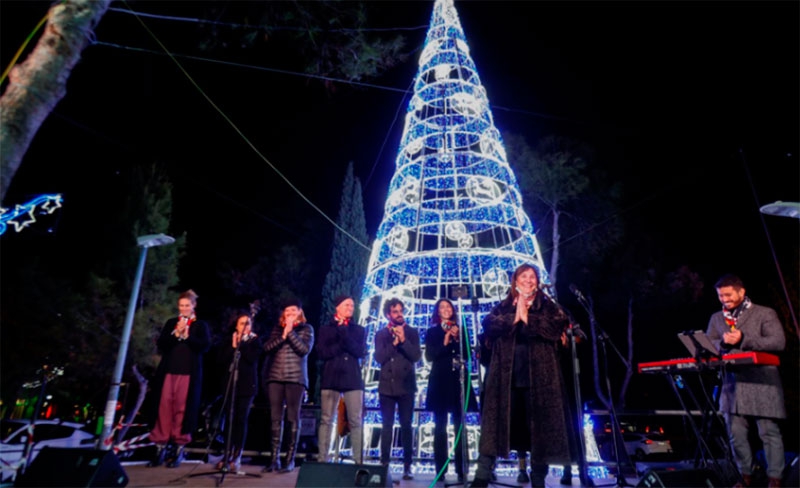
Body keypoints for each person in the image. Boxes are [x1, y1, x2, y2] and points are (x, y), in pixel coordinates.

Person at [471, 264, 573, 488]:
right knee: (495, 429)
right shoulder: (505, 306)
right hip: (505, 381)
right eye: (524, 276)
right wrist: (514, 318)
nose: (529, 280)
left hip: (540, 381)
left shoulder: (546, 306)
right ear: (515, 282)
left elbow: (556, 325)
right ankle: (482, 477)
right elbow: (488, 324)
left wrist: (529, 318)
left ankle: (538, 480)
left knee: (539, 433)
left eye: (532, 276)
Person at [706, 274, 786, 488]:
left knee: (768, 432)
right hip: (732, 384)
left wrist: (743, 339)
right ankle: (745, 476)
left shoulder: (764, 313)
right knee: (736, 434)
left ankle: (775, 478)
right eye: (720, 296)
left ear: (741, 292)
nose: (724, 299)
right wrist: (720, 344)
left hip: (762, 381)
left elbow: (778, 342)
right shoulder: (716, 318)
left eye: (728, 294)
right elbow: (710, 343)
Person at [147, 289, 212, 468]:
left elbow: (204, 347)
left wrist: (187, 336)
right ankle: (160, 448)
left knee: (182, 410)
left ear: (193, 306)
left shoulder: (200, 325)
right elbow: (161, 345)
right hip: (168, 371)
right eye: (181, 305)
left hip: (188, 374)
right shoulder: (171, 323)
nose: (184, 308)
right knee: (164, 407)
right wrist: (175, 334)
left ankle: (178, 449)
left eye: (187, 305)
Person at [424, 298, 478, 484]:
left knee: (459, 425)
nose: (446, 309)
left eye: (448, 307)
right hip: (440, 380)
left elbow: (469, 356)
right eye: (442, 307)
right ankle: (441, 469)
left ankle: (462, 470)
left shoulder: (461, 329)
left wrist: (457, 339)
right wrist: (445, 341)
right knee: (440, 426)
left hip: (458, 382)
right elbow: (430, 356)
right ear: (437, 312)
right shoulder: (432, 332)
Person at [261, 297, 315, 473]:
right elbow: (267, 348)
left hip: (295, 378)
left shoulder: (307, 329)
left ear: (300, 312)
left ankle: (289, 459)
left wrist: (290, 333)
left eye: (294, 310)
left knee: (293, 417)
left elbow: (303, 350)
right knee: (275, 418)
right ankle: (274, 459)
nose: (290, 314)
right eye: (287, 311)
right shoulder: (277, 329)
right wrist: (283, 334)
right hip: (275, 376)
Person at [317, 294, 367, 464]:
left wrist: (344, 336)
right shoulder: (326, 330)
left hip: (352, 378)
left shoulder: (359, 330)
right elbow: (323, 353)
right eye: (346, 305)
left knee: (355, 420)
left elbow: (360, 352)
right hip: (331, 377)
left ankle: (358, 460)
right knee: (326, 419)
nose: (350, 308)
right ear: (337, 307)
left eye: (352, 305)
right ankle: (323, 459)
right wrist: (341, 342)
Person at [375, 297, 421, 480]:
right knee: (387, 426)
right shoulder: (381, 334)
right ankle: (384, 463)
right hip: (386, 385)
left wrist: (403, 341)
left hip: (406, 385)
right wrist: (393, 343)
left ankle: (407, 465)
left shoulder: (412, 332)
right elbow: (379, 358)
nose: (399, 314)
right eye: (395, 311)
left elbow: (416, 356)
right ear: (388, 314)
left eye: (401, 311)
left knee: (406, 426)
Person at [215, 312, 261, 472]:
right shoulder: (229, 341)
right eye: (242, 324)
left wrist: (242, 344)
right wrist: (233, 346)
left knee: (241, 419)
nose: (244, 327)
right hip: (230, 384)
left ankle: (237, 454)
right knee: (229, 418)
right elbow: (220, 360)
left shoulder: (255, 341)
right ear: (236, 326)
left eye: (247, 324)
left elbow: (251, 359)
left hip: (247, 386)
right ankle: (226, 454)